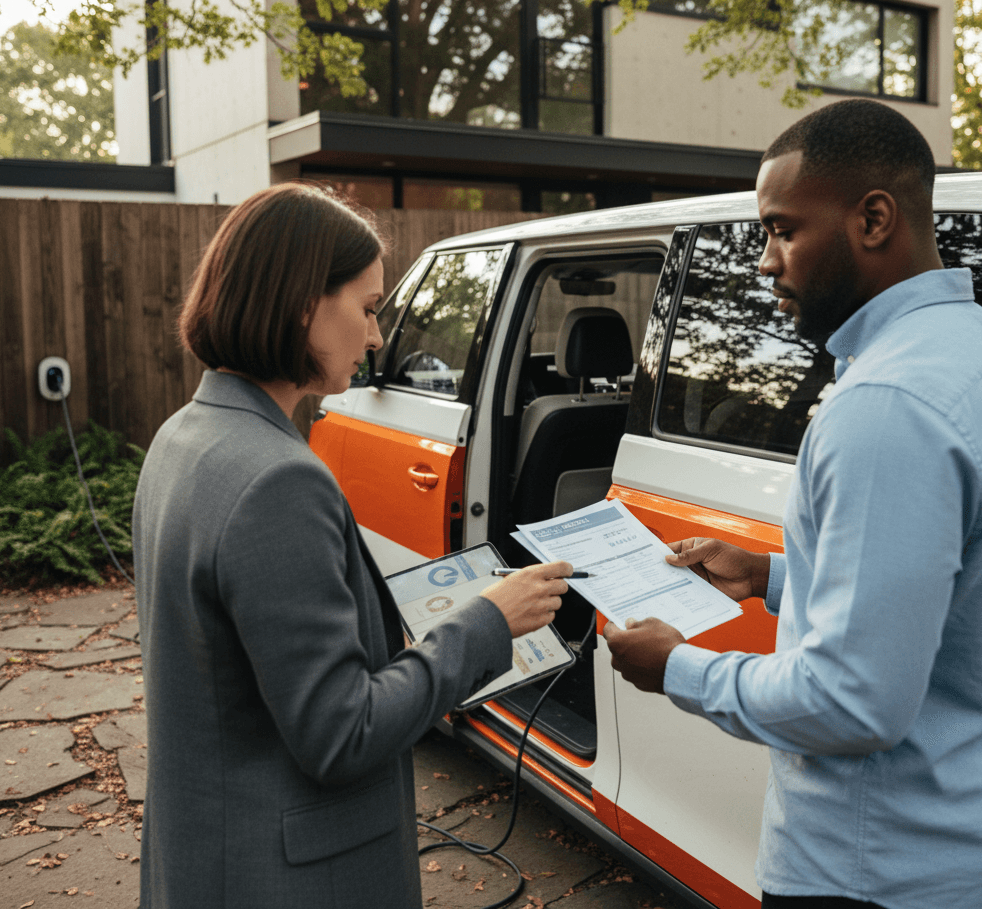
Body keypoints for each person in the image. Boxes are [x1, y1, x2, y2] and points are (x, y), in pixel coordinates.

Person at [131, 183, 571, 909]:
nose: (376, 338)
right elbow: (342, 733)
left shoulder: (183, 436)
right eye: (368, 309)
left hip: (206, 852)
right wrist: (487, 622)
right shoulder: (279, 480)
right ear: (304, 302)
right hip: (290, 877)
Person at [603, 99, 982, 909]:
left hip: (873, 869)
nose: (765, 261)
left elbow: (852, 702)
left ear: (873, 219)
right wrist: (773, 575)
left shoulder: (886, 403)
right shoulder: (964, 353)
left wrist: (678, 668)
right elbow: (947, 595)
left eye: (781, 229)